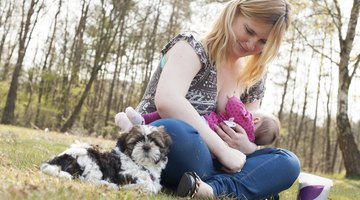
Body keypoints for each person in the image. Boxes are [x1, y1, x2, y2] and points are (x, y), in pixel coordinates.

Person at [126, 0, 300, 198]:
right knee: (174, 130)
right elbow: (168, 101)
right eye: (249, 31)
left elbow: (251, 129)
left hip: (218, 163)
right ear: (234, 13)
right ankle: (245, 187)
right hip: (174, 146)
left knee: (287, 161)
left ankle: (210, 189)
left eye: (263, 42)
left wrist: (248, 147)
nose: (251, 44)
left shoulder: (254, 74)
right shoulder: (192, 45)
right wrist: (224, 151)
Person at [115, 96, 280, 148]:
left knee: (171, 116)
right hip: (207, 146)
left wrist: (233, 96)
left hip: (205, 124)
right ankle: (137, 125)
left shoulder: (247, 121)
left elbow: (234, 106)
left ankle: (142, 120)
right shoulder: (247, 141)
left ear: (256, 119)